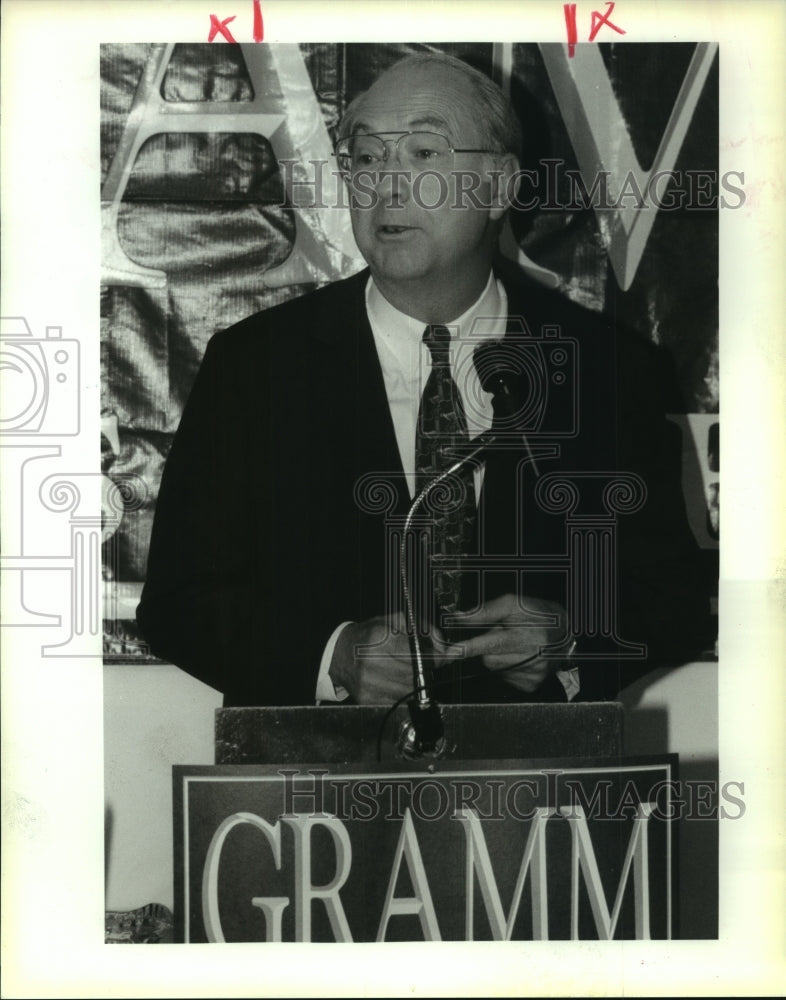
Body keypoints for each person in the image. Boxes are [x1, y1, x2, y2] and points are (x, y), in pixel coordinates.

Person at [137, 52, 709, 707]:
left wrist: (575, 640)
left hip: (529, 788)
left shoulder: (611, 370)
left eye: (423, 154)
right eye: (368, 158)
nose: (387, 185)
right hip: (308, 799)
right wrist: (335, 654)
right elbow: (179, 603)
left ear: (498, 187)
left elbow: (673, 600)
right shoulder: (255, 366)